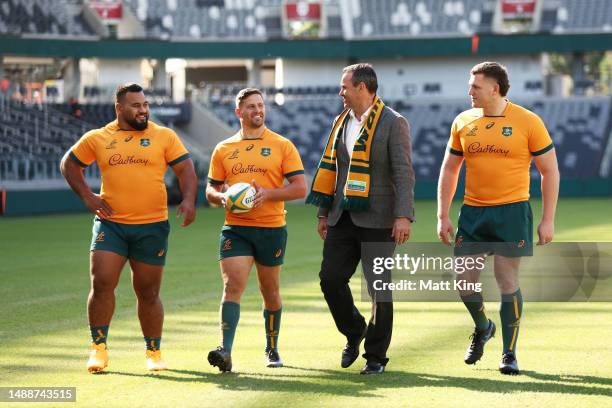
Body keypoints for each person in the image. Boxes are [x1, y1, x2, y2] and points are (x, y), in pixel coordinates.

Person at [60, 83, 197, 373]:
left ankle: (153, 352)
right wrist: (87, 195)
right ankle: (98, 349)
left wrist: (188, 199)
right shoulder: (98, 137)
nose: (143, 110)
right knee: (102, 284)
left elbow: (185, 169)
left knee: (148, 292)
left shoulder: (164, 136)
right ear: (119, 108)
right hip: (111, 225)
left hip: (152, 227)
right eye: (136, 105)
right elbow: (69, 165)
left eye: (145, 104)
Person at [437, 62, 559, 375]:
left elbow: (549, 171)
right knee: (463, 283)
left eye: (475, 86)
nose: (469, 92)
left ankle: (509, 354)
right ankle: (483, 327)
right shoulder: (463, 121)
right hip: (473, 214)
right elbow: (450, 169)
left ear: (495, 88)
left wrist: (548, 220)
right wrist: (442, 214)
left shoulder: (528, 121)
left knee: (508, 283)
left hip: (511, 212)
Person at [307, 63, 415, 375]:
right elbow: (333, 171)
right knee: (330, 279)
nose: (340, 92)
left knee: (379, 289)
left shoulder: (394, 123)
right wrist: (324, 212)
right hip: (342, 217)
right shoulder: (340, 121)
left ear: (362, 88)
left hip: (380, 220)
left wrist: (404, 216)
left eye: (345, 87)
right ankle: (355, 330)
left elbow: (404, 173)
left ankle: (376, 357)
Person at [206, 87, 306, 372]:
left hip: (271, 229)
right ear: (239, 112)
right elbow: (211, 189)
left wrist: (268, 195)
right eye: (250, 107)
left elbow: (300, 188)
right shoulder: (223, 149)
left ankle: (272, 348)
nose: (257, 111)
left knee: (270, 290)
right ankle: (225, 350)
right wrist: (222, 197)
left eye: (260, 105)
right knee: (232, 285)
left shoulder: (282, 145)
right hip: (236, 229)